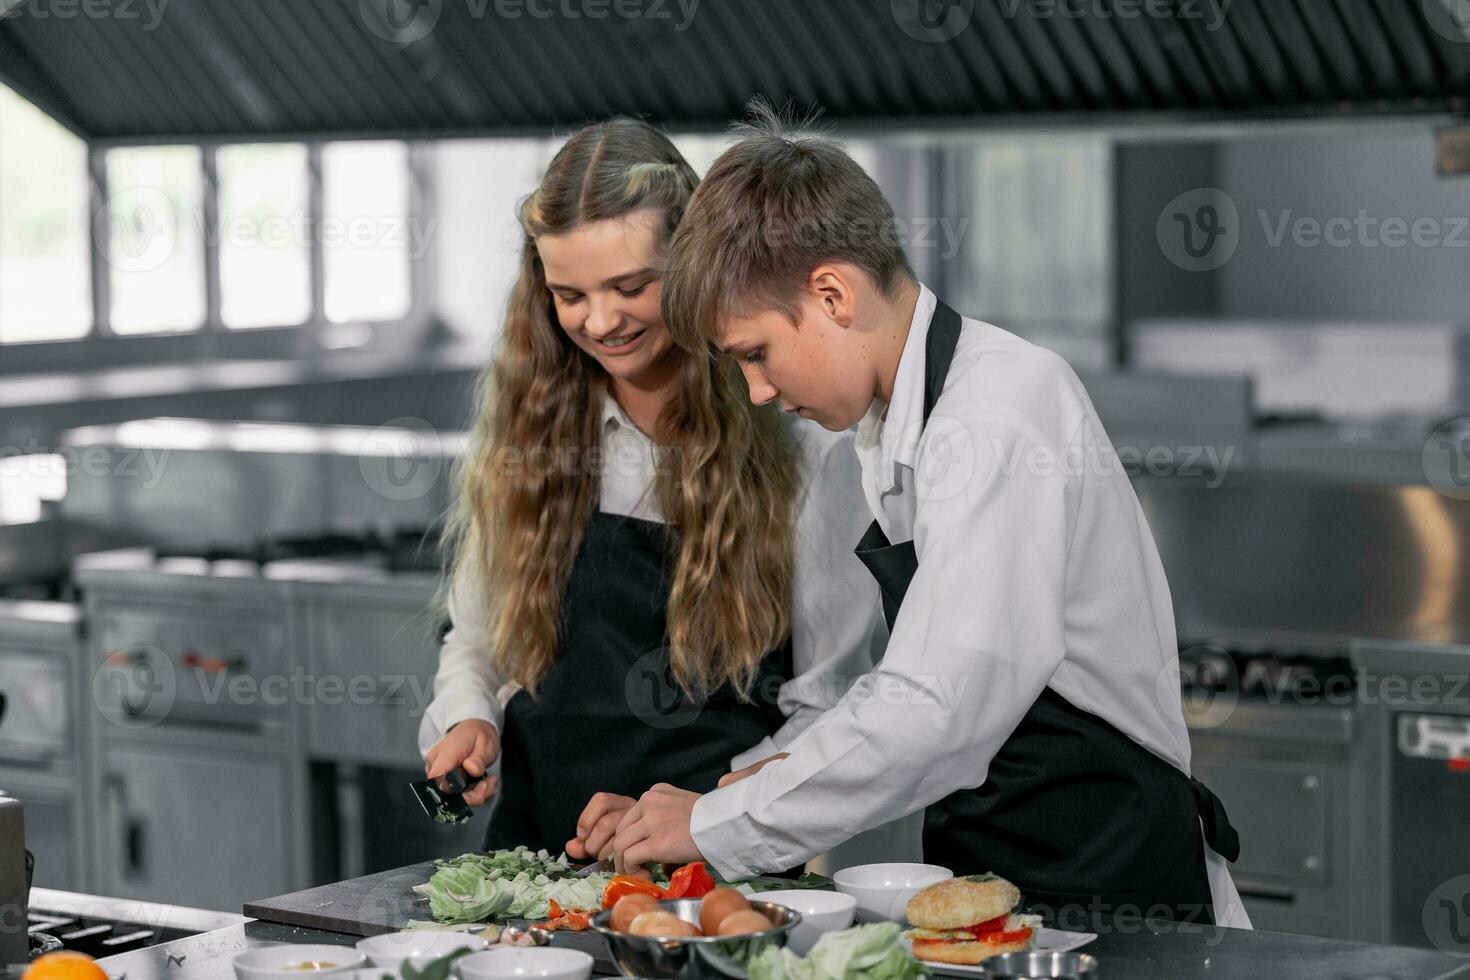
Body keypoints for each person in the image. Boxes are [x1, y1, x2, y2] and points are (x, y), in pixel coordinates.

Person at [604, 104, 1252, 930]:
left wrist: (715, 825)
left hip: (1109, 877)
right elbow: (895, 685)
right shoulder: (893, 428)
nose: (758, 392)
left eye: (755, 354)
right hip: (1004, 863)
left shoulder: (997, 414)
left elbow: (938, 709)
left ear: (832, 292)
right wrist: (763, 777)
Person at [417, 118, 887, 861]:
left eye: (631, 286)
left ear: (695, 265)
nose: (600, 321)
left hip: (719, 867)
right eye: (569, 295)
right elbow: (476, 639)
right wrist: (467, 719)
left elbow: (827, 706)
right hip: (537, 866)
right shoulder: (528, 443)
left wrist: (708, 817)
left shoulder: (802, 447)